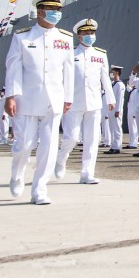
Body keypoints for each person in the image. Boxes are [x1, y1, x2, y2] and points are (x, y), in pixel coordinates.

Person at [3, 0, 74, 205]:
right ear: (40, 11)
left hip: (54, 100)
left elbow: (68, 71)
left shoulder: (65, 39)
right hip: (27, 99)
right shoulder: (22, 37)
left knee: (49, 147)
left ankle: (39, 190)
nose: (56, 13)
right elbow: (13, 68)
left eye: (58, 10)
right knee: (24, 144)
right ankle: (17, 175)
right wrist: (11, 96)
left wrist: (68, 97)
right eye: (52, 10)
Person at [56, 18, 116, 184]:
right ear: (79, 36)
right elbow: (62, 77)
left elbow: (105, 78)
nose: (90, 35)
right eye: (86, 33)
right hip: (73, 103)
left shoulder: (100, 55)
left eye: (92, 33)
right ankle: (61, 159)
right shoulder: (70, 54)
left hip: (94, 103)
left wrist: (110, 98)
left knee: (92, 140)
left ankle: (87, 173)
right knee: (71, 138)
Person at [104, 65, 125, 154]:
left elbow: (120, 99)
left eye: (113, 72)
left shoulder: (120, 85)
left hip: (116, 110)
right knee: (112, 128)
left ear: (117, 73)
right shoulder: (113, 84)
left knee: (117, 128)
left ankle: (117, 146)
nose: (111, 73)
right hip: (111, 109)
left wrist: (118, 110)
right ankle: (113, 146)